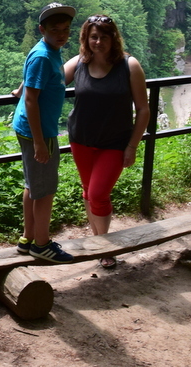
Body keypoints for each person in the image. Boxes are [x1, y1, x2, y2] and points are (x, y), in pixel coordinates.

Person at [64, 14, 150, 269]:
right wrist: (23, 88)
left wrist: (132, 146)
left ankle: (105, 247)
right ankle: (99, 241)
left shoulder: (129, 65)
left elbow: (143, 110)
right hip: (81, 140)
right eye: (93, 37)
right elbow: (46, 79)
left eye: (103, 36)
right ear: (86, 39)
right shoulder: (79, 62)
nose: (98, 42)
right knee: (88, 190)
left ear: (114, 38)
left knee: (98, 193)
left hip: (114, 143)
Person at [11, 2, 76, 263]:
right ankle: (42, 245)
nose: (61, 34)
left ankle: (28, 238)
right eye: (55, 30)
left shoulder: (49, 50)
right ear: (42, 29)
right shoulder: (43, 55)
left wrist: (19, 87)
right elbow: (31, 100)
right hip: (39, 132)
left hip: (32, 129)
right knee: (45, 191)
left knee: (32, 185)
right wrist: (40, 142)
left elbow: (31, 81)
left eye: (66, 29)